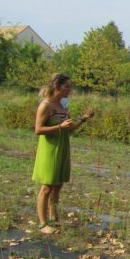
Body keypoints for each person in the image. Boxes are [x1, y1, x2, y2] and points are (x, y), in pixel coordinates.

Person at [32, 73, 94, 235]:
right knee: (46, 187)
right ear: (57, 88)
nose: (70, 90)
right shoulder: (45, 106)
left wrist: (84, 118)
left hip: (63, 148)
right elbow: (38, 130)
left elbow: (70, 129)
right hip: (49, 151)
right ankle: (42, 223)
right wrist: (59, 127)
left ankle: (54, 218)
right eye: (67, 87)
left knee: (58, 186)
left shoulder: (64, 105)